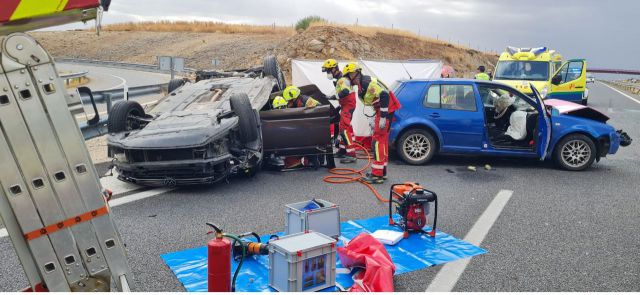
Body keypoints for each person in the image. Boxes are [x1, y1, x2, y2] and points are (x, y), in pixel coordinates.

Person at [342, 62, 401, 184]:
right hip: (383, 110)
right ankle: (382, 172)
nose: (347, 79)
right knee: (382, 141)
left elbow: (384, 95)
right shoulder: (361, 85)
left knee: (378, 141)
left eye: (348, 76)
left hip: (386, 110)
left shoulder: (366, 82)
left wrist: (383, 117)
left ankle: (377, 175)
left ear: (354, 74)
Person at [322, 58, 357, 163]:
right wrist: (339, 107)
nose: (328, 73)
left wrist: (331, 97)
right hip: (345, 106)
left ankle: (351, 154)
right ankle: (342, 150)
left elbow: (345, 91)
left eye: (328, 71)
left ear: (334, 69)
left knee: (344, 130)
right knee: (343, 127)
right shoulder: (339, 80)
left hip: (348, 106)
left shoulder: (342, 79)